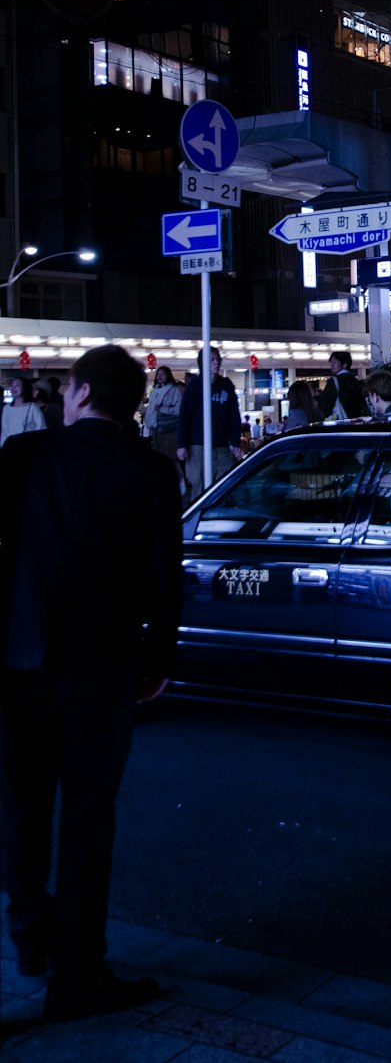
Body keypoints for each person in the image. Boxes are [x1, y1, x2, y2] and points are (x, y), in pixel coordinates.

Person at [0, 343, 182, 1021]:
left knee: (20, 808)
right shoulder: (152, 473)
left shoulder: (24, 460)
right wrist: (157, 660)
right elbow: (166, 579)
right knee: (87, 818)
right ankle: (77, 973)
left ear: (76, 393)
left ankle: (29, 934)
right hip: (103, 667)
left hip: (19, 659)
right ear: (134, 401)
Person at [175, 347, 242, 500]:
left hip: (222, 445)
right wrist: (181, 444)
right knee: (200, 488)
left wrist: (235, 441)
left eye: (218, 359)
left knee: (225, 486)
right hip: (198, 445)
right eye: (212, 359)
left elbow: (234, 415)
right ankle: (199, 519)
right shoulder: (194, 387)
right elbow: (184, 416)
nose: (216, 362)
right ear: (202, 363)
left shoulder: (226, 385)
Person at [143, 366, 184, 478]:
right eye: (158, 374)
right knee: (158, 459)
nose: (160, 377)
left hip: (168, 430)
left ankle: (178, 483)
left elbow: (179, 409)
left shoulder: (173, 390)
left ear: (168, 376)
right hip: (156, 429)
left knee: (169, 459)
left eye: (163, 374)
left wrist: (163, 409)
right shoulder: (155, 390)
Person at [317, 350, 366, 421]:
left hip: (339, 421)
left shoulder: (333, 381)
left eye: (335, 362)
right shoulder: (355, 381)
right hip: (356, 421)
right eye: (331, 363)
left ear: (344, 364)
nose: (332, 365)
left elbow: (325, 403)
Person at [0, 375, 46, 446]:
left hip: (28, 447)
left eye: (17, 385)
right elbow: (4, 431)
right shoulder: (7, 408)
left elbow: (41, 428)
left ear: (24, 388)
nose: (13, 388)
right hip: (10, 448)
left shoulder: (32, 407)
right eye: (12, 385)